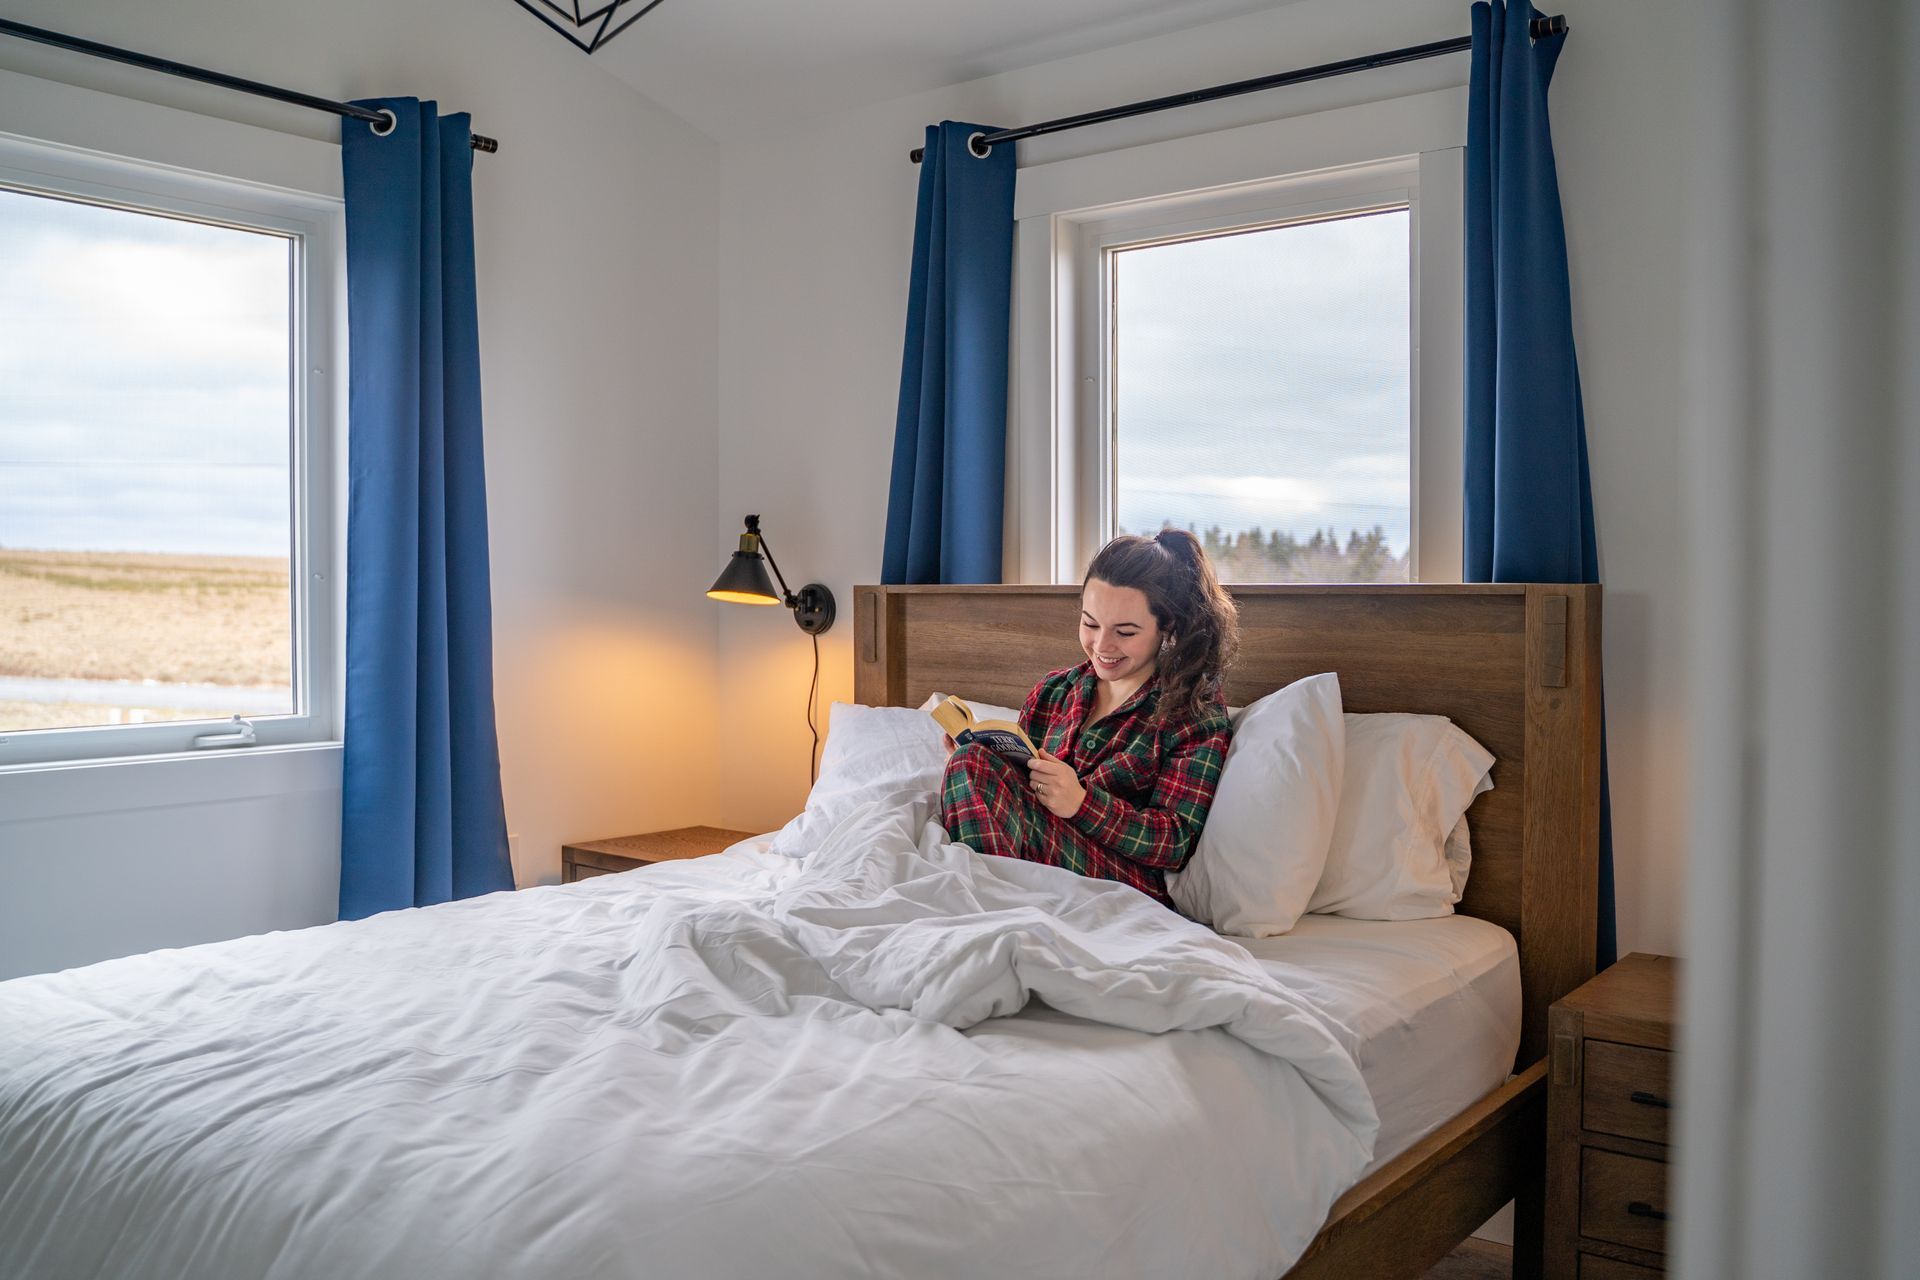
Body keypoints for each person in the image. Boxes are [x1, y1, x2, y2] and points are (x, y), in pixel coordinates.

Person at [938, 528, 1238, 907]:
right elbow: (1013, 789)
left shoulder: (1193, 712)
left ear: (1168, 627)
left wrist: (1081, 802)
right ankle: (997, 913)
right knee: (970, 763)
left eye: (1125, 632)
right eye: (1090, 624)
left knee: (974, 767)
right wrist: (971, 767)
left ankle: (994, 913)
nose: (1101, 646)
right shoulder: (1054, 690)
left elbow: (1175, 841)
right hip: (1029, 856)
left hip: (1120, 884)